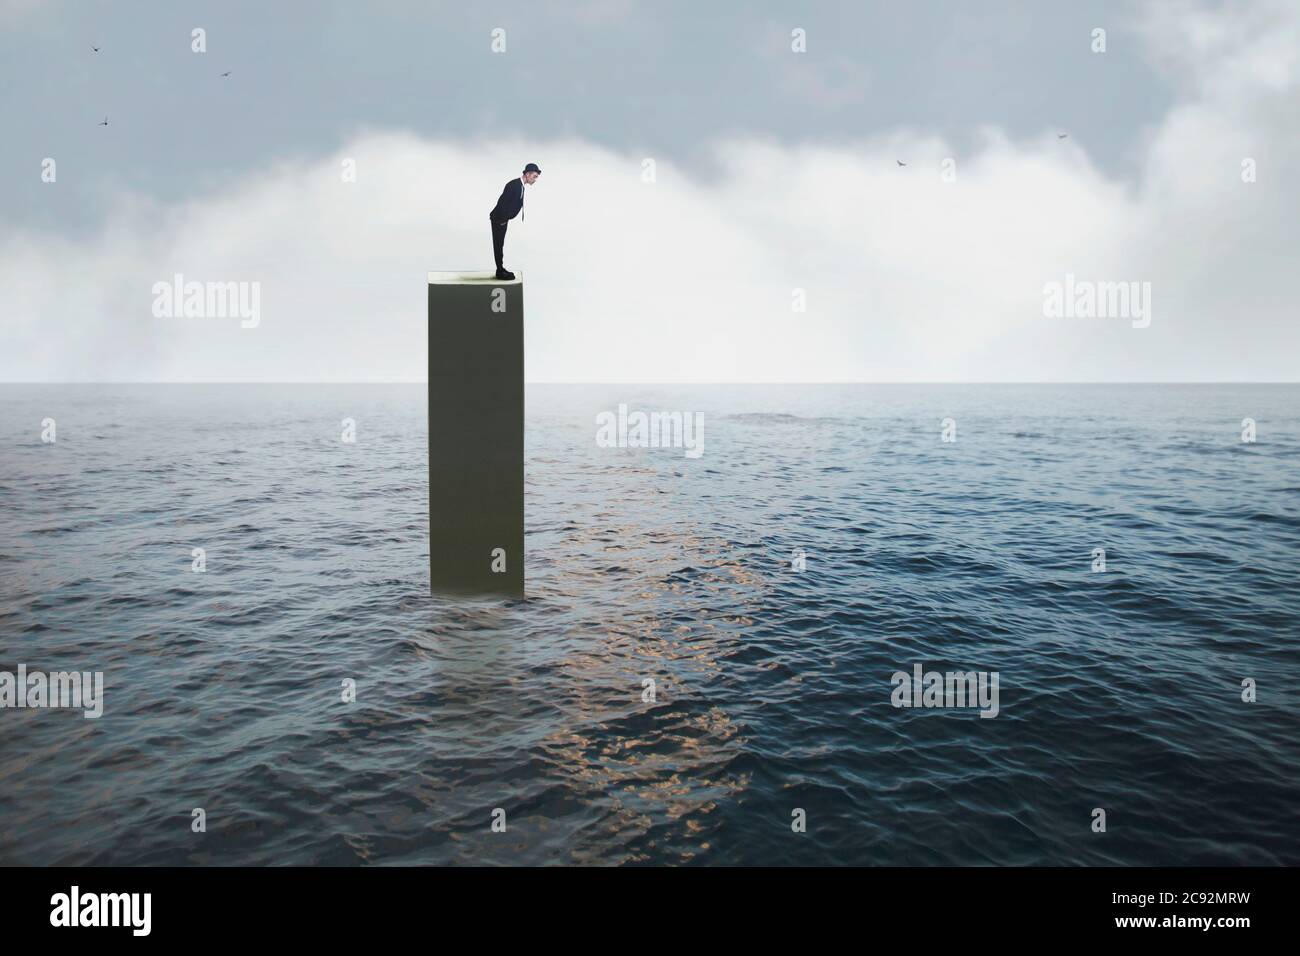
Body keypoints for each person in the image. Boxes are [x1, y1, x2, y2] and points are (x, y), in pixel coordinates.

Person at [489, 163, 541, 280]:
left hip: (503, 219)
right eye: (534, 176)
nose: (535, 179)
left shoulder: (521, 186)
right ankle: (500, 270)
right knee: (498, 244)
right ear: (527, 174)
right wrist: (503, 219)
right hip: (499, 219)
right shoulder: (514, 185)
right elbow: (501, 203)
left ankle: (500, 268)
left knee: (500, 244)